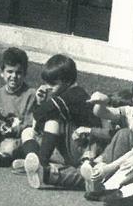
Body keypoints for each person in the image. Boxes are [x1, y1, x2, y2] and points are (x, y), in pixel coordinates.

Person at [21, 53, 101, 189]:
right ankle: (32, 160)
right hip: (69, 148)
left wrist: (40, 104)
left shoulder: (75, 94)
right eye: (47, 83)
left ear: (67, 81)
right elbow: (37, 124)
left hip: (84, 150)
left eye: (53, 83)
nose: (48, 87)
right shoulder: (63, 94)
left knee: (52, 121)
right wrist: (40, 102)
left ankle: (41, 164)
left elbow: (40, 115)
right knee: (27, 132)